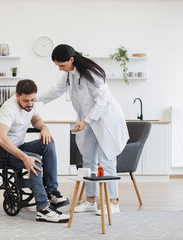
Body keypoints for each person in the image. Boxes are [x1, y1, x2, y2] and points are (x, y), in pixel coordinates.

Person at [37, 44, 129, 216]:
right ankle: (91, 200)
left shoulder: (92, 73)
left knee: (106, 160)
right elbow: (57, 90)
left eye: (62, 65)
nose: (60, 69)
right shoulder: (69, 74)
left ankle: (113, 202)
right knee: (88, 161)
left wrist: (86, 121)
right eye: (57, 66)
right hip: (89, 122)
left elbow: (102, 101)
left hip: (105, 121)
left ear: (71, 59)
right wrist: (35, 98)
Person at [0, 79, 70, 223]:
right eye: (26, 101)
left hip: (18, 146)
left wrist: (45, 128)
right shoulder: (9, 108)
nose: (30, 104)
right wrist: (24, 157)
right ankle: (43, 209)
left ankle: (52, 192)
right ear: (17, 95)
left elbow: (36, 121)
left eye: (33, 100)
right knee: (33, 159)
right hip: (2, 152)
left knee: (48, 142)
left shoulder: (31, 104)